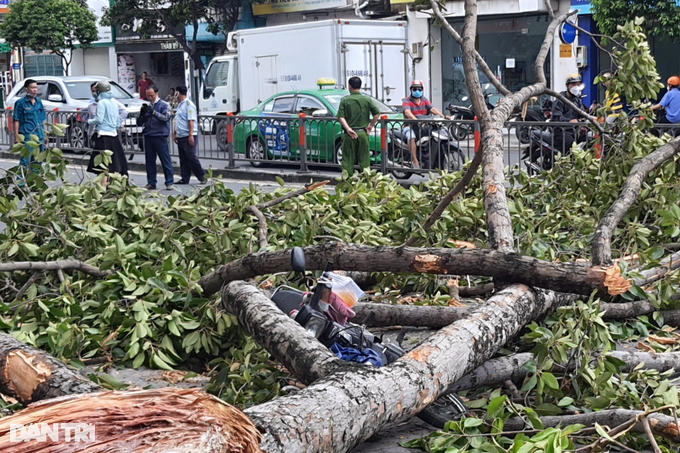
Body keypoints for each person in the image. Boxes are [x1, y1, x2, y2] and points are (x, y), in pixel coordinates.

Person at [337, 76, 380, 177]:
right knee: (365, 161)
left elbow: (340, 116)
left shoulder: (345, 100)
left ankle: (348, 184)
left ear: (350, 86)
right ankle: (366, 184)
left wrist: (348, 129)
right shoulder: (367, 99)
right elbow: (377, 113)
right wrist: (371, 126)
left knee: (347, 161)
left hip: (349, 134)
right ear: (360, 86)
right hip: (363, 133)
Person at [86, 81, 128, 180]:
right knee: (115, 161)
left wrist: (89, 121)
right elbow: (118, 120)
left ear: (100, 91)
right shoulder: (113, 103)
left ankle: (103, 187)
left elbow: (99, 120)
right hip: (113, 135)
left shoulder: (101, 103)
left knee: (103, 165)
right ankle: (116, 185)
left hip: (103, 135)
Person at [402, 80, 448, 169]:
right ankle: (415, 161)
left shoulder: (425, 100)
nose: (417, 91)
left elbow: (433, 109)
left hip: (423, 126)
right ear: (411, 90)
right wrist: (415, 120)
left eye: (419, 89)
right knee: (411, 137)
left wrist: (443, 116)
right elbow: (407, 112)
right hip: (410, 126)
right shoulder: (406, 100)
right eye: (415, 89)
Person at [137, 85, 174, 190]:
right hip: (149, 135)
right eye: (148, 96)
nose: (150, 98)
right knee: (149, 161)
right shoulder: (147, 105)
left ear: (156, 94)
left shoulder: (164, 105)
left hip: (160, 136)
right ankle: (151, 182)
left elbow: (166, 118)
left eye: (151, 95)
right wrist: (143, 115)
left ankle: (169, 181)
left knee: (165, 160)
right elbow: (140, 122)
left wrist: (154, 113)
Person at [173, 85, 206, 184]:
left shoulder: (189, 104)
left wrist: (191, 135)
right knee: (183, 158)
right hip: (181, 135)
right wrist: (176, 133)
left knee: (191, 157)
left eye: (176, 92)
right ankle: (185, 177)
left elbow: (191, 120)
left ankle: (202, 176)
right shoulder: (180, 105)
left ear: (178, 93)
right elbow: (178, 120)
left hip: (188, 135)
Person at [13, 78, 47, 168]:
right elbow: (16, 120)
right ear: (26, 89)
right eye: (32, 88)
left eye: (36, 88)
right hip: (27, 135)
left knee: (37, 161)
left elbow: (43, 119)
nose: (35, 90)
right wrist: (17, 137)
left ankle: (34, 180)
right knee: (25, 160)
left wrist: (45, 135)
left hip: (39, 136)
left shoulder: (39, 102)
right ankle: (21, 181)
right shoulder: (20, 103)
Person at [551, 74, 587, 153]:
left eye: (578, 84)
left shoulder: (577, 100)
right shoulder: (560, 99)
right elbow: (556, 117)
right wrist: (569, 121)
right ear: (568, 86)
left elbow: (583, 113)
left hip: (575, 130)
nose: (576, 86)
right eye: (573, 84)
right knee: (571, 146)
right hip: (562, 131)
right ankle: (568, 163)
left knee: (589, 140)